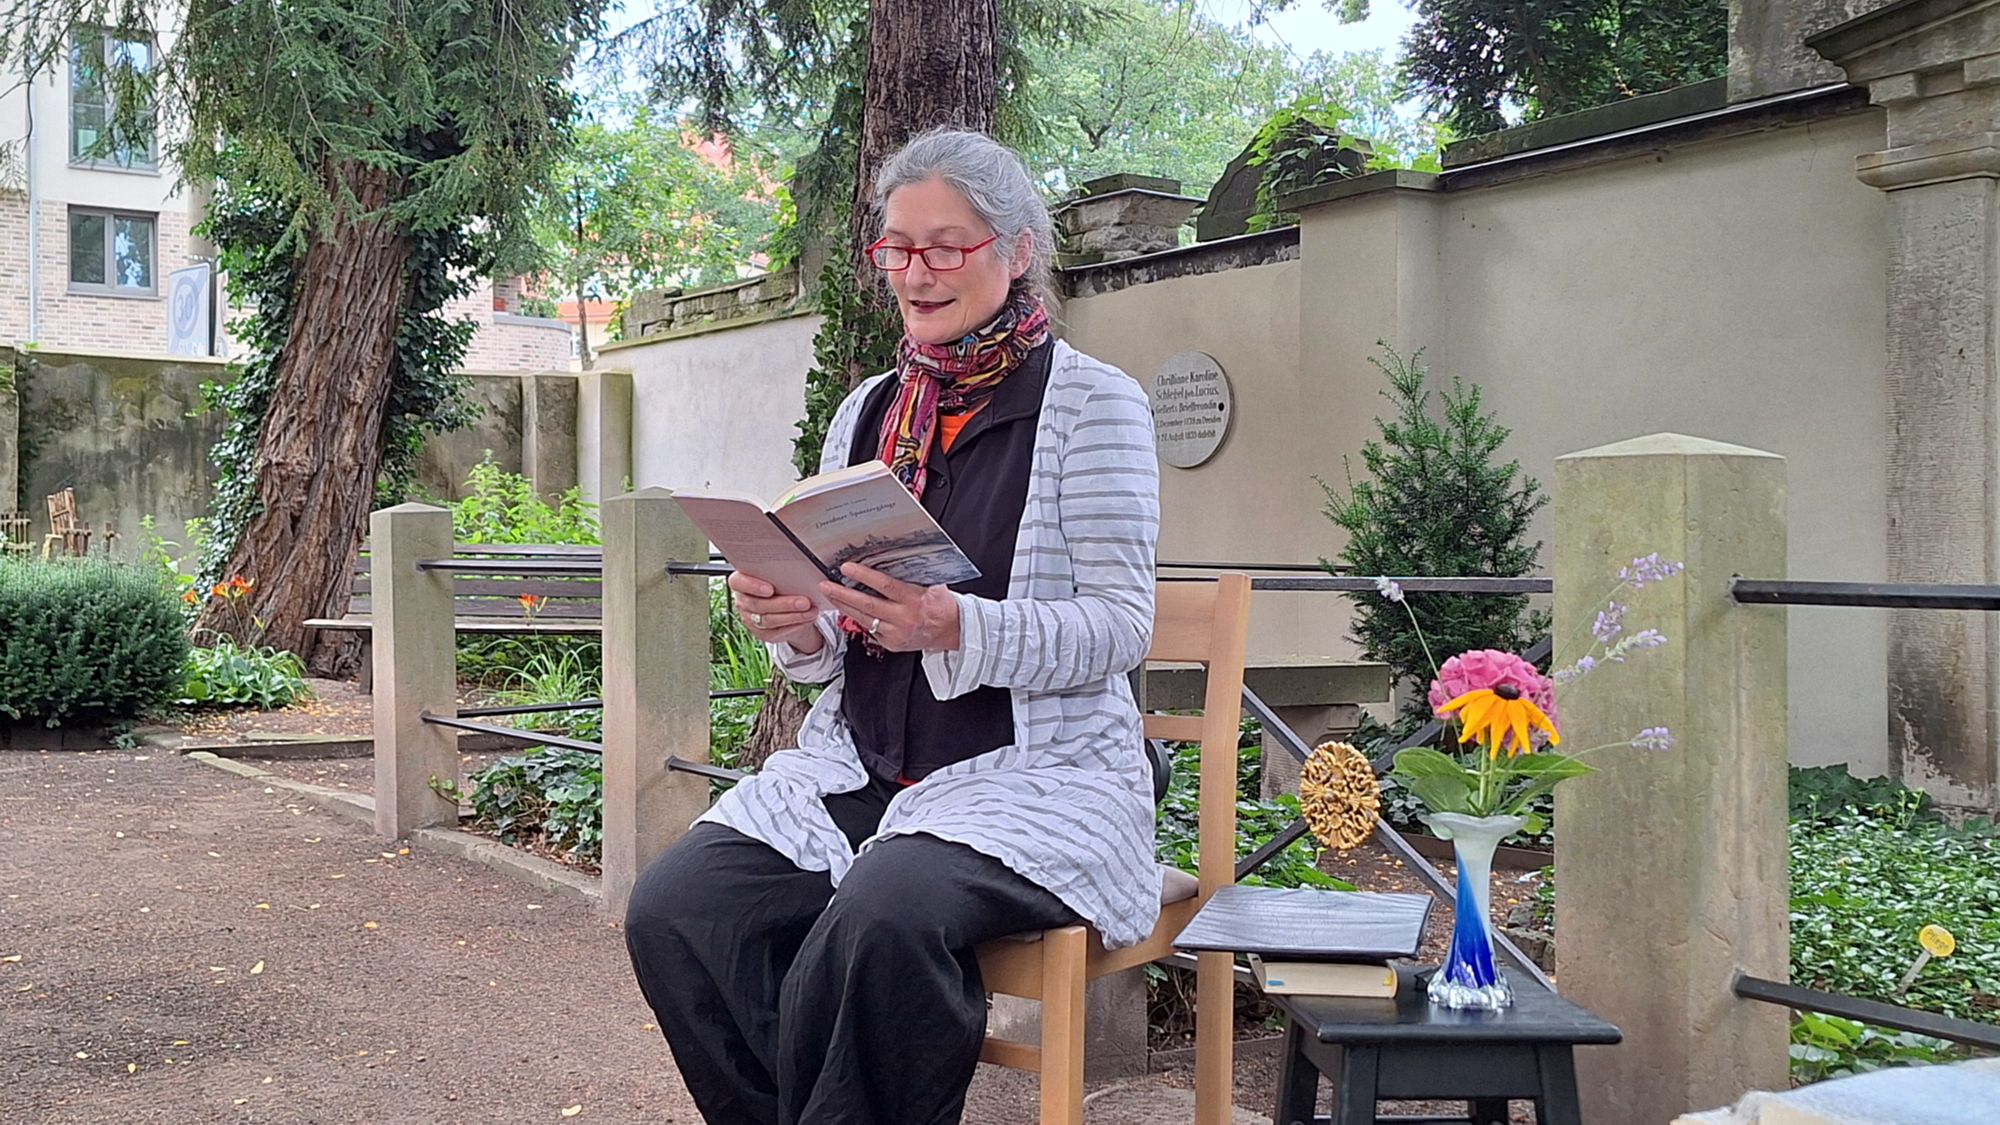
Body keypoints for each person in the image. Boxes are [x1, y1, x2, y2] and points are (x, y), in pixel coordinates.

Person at [624, 127, 1162, 1125]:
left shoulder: (1094, 407)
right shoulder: (867, 411)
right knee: (677, 910)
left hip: (1033, 781)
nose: (915, 272)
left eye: (946, 246)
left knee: (882, 916)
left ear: (1015, 250)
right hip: (858, 768)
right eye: (896, 247)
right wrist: (789, 619)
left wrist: (953, 624)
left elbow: (1121, 629)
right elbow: (828, 659)